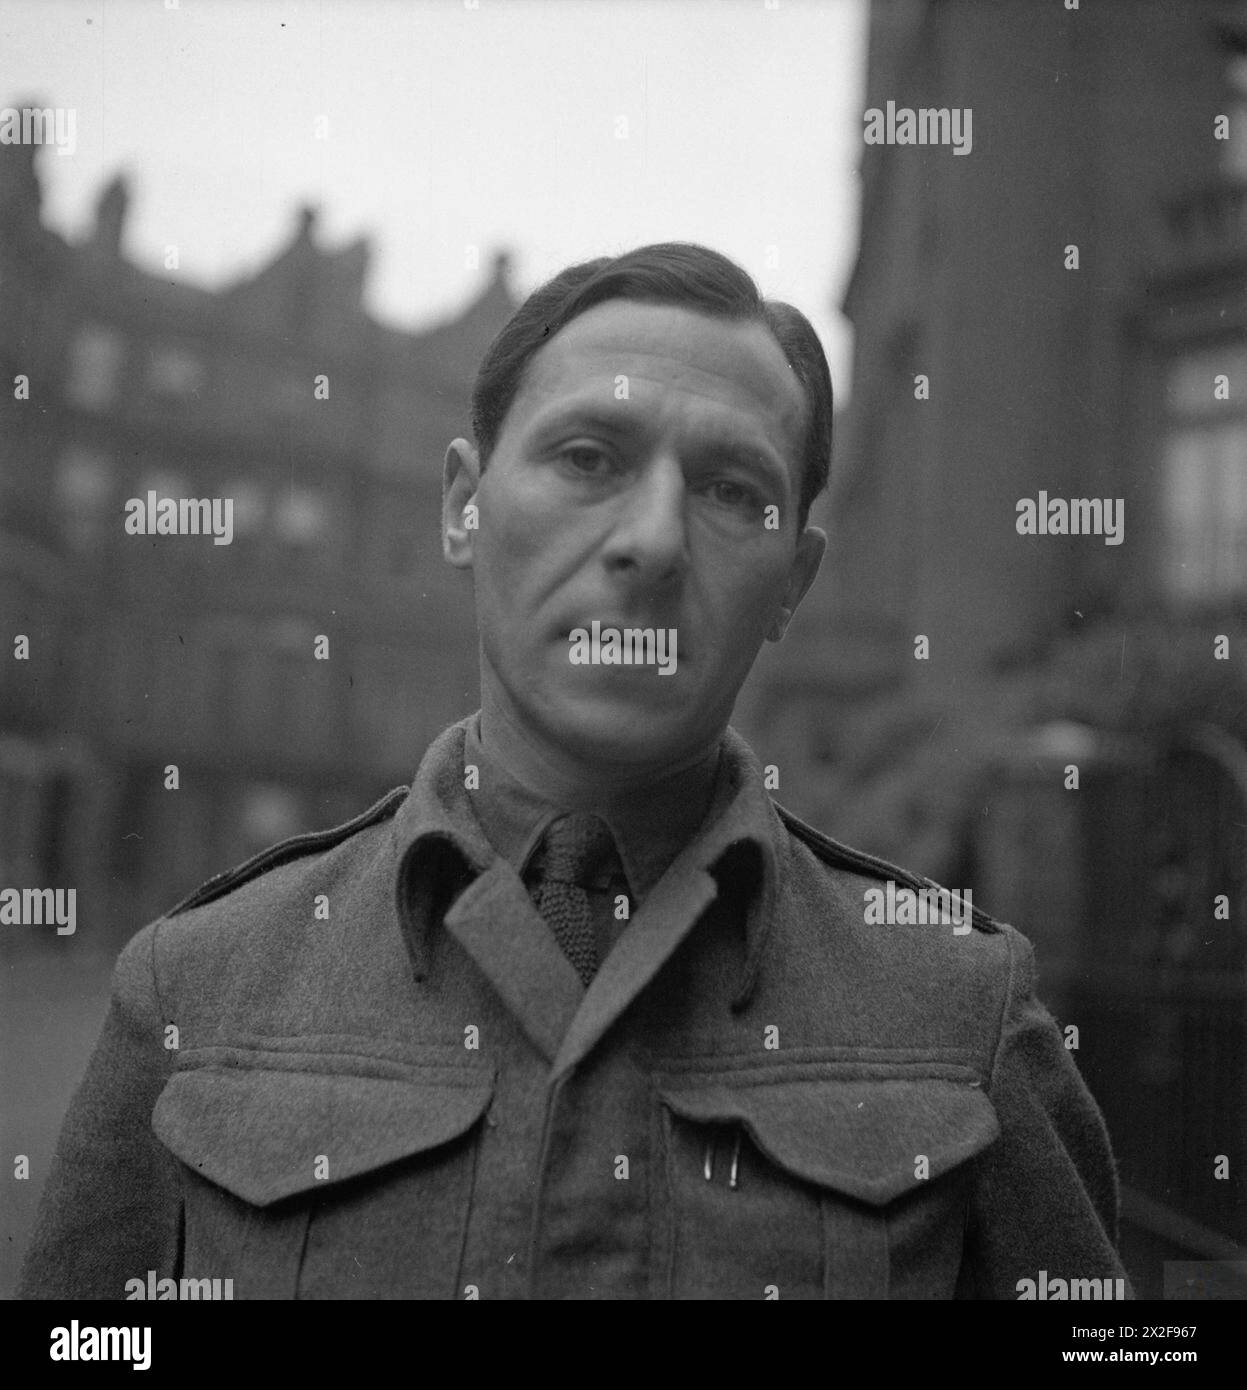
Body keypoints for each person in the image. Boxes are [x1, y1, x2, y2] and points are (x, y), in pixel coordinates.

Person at [19, 242, 1127, 1300]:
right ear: (463, 507)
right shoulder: (193, 989)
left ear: (792, 581)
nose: (650, 541)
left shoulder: (962, 1014)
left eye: (732, 489)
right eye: (587, 457)